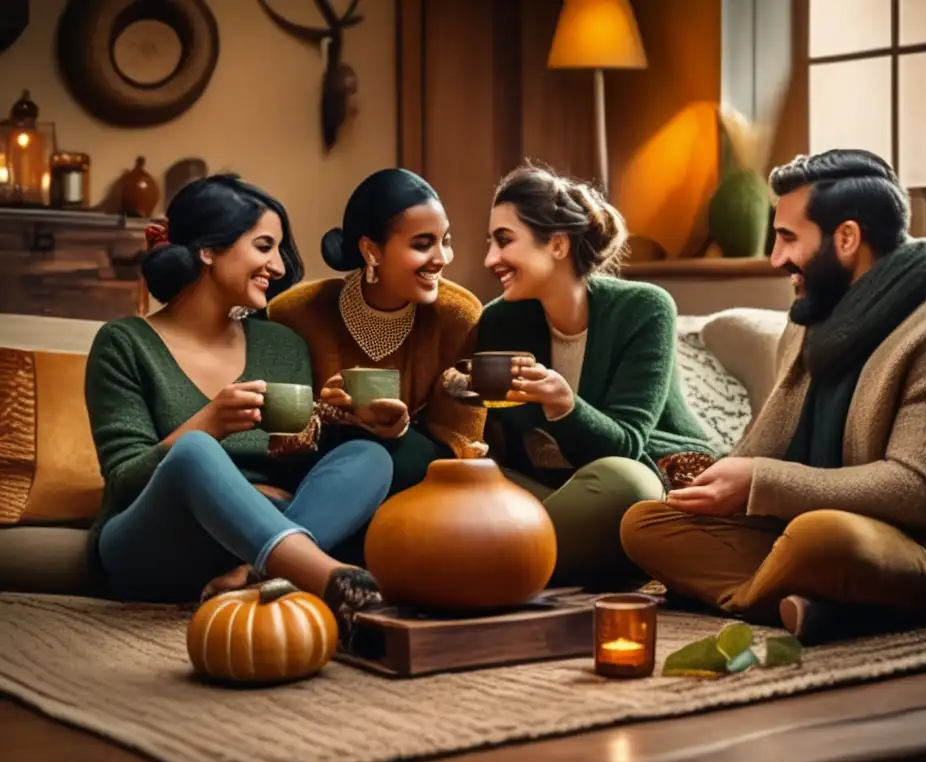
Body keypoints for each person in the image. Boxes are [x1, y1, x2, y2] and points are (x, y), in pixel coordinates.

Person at [620, 149, 926, 642]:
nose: (775, 257)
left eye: (788, 237)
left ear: (847, 238)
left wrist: (757, 481)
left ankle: (780, 605)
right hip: (793, 528)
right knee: (645, 524)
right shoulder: (811, 318)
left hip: (925, 546)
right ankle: (815, 606)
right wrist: (716, 483)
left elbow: (922, 496)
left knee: (820, 538)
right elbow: (767, 446)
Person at [85, 174, 392, 632]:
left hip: (254, 535)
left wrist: (337, 422)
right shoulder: (124, 343)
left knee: (369, 456)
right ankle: (330, 579)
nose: (280, 267)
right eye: (264, 246)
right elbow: (124, 481)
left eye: (279, 251)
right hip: (154, 545)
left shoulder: (282, 345)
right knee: (194, 451)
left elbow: (296, 463)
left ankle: (256, 578)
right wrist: (207, 425)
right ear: (208, 250)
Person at [467, 164, 716, 589]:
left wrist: (564, 406)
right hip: (555, 497)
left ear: (558, 244)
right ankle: (523, 563)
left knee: (624, 483)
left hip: (644, 483)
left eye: (504, 241)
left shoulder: (645, 309)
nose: (491, 259)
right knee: (456, 476)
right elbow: (501, 440)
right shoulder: (498, 320)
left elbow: (626, 444)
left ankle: (485, 566)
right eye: (491, 242)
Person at [267, 168, 486, 501]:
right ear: (372, 251)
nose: (441, 258)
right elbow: (281, 442)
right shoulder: (295, 312)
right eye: (423, 244)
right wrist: (325, 411)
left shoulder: (459, 315)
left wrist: (400, 431)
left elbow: (461, 443)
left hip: (422, 484)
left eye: (446, 241)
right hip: (318, 472)